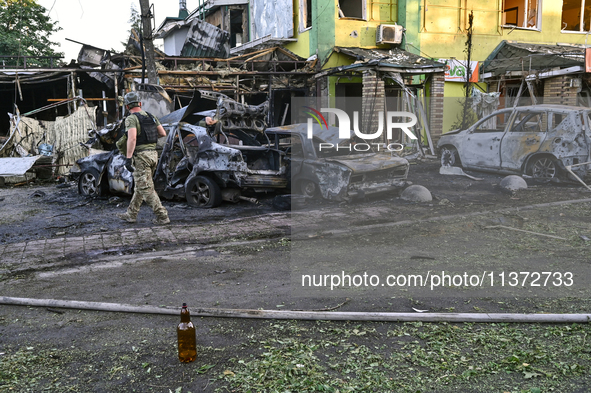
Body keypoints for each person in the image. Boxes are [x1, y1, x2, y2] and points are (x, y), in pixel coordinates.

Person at [117, 91, 170, 225]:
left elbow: (132, 138)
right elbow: (162, 133)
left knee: (145, 188)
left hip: (141, 157)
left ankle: (162, 216)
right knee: (141, 186)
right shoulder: (151, 116)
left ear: (127, 107)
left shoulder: (131, 118)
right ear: (140, 104)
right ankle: (131, 214)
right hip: (153, 155)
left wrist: (128, 158)